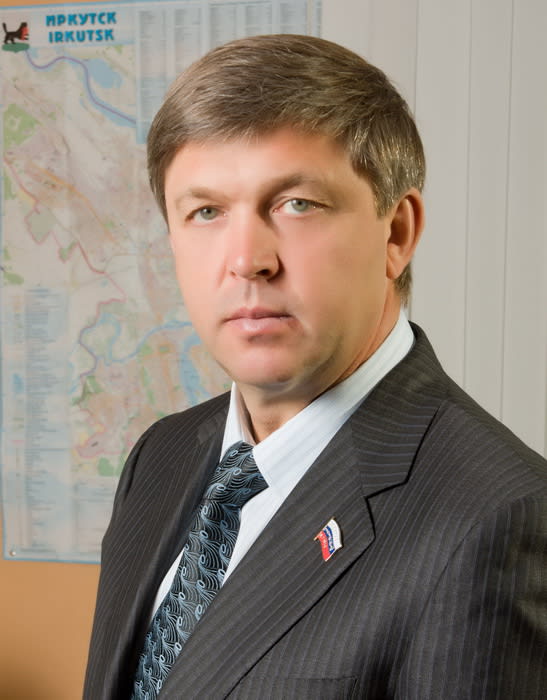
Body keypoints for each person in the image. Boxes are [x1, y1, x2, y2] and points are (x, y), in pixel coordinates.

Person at [84, 34, 547, 699]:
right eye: (206, 211)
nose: (248, 260)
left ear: (396, 233)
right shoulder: (160, 456)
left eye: (296, 203)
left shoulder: (494, 515)